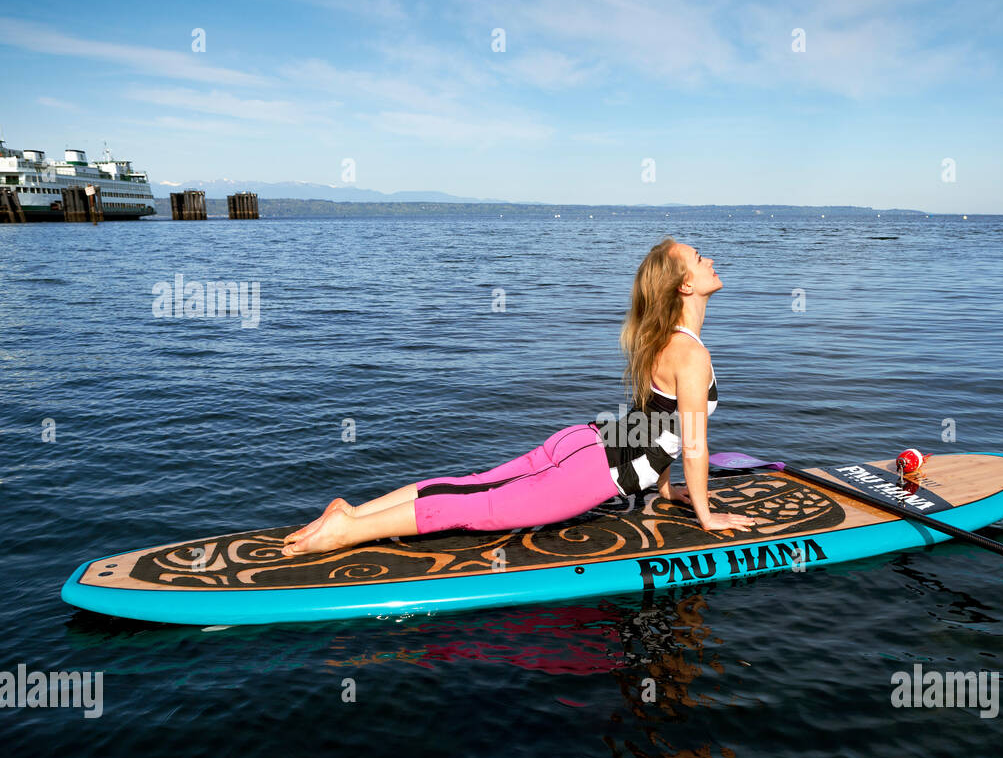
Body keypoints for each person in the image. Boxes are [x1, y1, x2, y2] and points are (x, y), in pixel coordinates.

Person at [281, 237, 756, 556]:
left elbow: (659, 422)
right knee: (478, 508)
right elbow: (692, 444)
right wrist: (706, 515)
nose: (709, 259)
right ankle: (348, 530)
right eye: (699, 258)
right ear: (686, 285)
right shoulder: (690, 355)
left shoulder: (662, 340)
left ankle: (355, 509)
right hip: (594, 468)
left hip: (585, 441)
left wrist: (664, 490)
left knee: (472, 484)